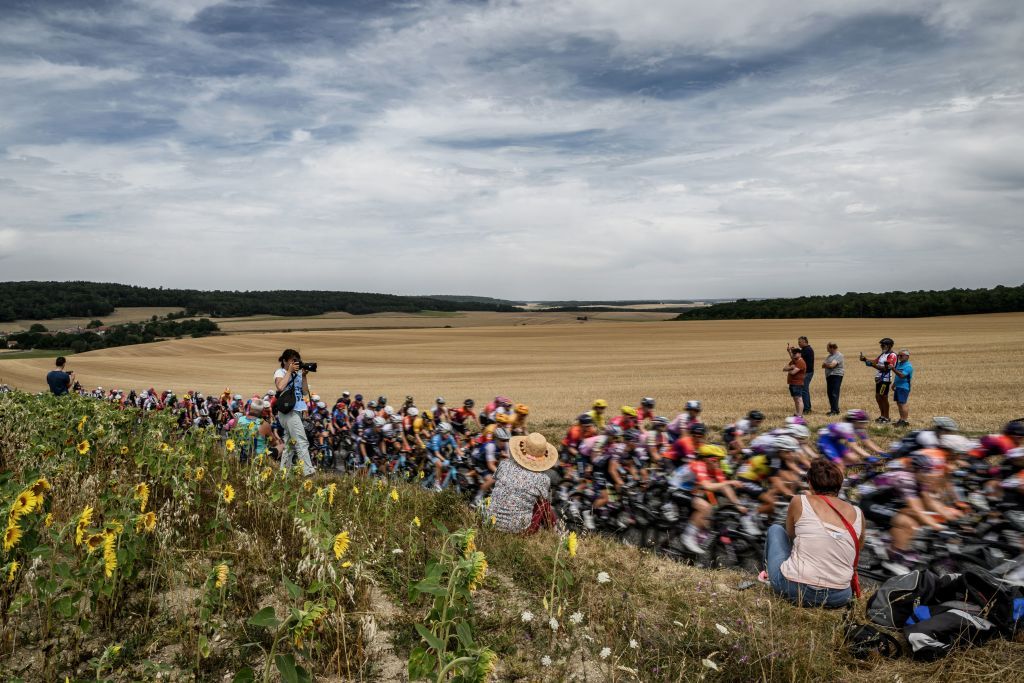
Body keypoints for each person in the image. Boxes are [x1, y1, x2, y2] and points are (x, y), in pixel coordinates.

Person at [763, 458, 862, 608]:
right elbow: (856, 551)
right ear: (840, 485)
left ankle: (769, 578)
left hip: (794, 589)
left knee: (775, 530)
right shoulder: (858, 512)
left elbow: (791, 535)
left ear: (809, 482)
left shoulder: (799, 501)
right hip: (839, 596)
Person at [490, 432, 558, 533]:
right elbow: (543, 501)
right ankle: (554, 532)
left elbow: (496, 481)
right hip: (518, 530)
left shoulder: (504, 464)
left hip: (490, 522)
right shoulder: (542, 479)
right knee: (544, 504)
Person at [273, 349, 315, 476]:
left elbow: (304, 391)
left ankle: (284, 473)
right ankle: (308, 471)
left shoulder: (297, 374)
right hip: (287, 410)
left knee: (289, 444)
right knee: (301, 440)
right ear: (285, 361)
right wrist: (289, 372)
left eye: (297, 361)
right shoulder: (280, 372)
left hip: (297, 410)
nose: (295, 363)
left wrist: (303, 376)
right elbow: (280, 387)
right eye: (293, 360)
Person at [860, 338, 898, 423]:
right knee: (878, 397)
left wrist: (872, 365)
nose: (881, 346)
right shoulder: (883, 354)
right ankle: (882, 415)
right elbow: (875, 361)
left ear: (889, 346)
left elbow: (885, 368)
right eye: (881, 345)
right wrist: (865, 360)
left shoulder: (892, 355)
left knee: (883, 397)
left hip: (885, 379)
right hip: (879, 379)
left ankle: (887, 417)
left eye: (883, 345)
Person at [892, 349, 914, 428]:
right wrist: (894, 384)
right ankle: (901, 419)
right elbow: (897, 376)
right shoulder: (899, 364)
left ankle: (905, 421)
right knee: (899, 404)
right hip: (898, 387)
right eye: (898, 356)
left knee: (903, 404)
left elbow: (902, 375)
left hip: (904, 387)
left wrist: (893, 369)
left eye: (901, 355)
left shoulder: (908, 366)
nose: (899, 357)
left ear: (907, 356)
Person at [821, 342, 844, 416]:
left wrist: (826, 365)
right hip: (829, 376)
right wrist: (827, 365)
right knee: (830, 393)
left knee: (834, 393)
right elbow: (823, 365)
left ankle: (835, 411)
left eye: (828, 348)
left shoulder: (839, 355)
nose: (827, 350)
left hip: (836, 375)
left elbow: (832, 365)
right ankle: (833, 409)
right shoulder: (829, 356)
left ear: (832, 348)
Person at [785, 347, 806, 417]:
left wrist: (789, 368)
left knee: (799, 399)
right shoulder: (794, 362)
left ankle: (800, 415)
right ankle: (798, 413)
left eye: (795, 353)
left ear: (800, 354)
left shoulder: (801, 362)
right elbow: (784, 368)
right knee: (795, 399)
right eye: (793, 353)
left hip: (797, 383)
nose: (793, 355)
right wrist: (791, 367)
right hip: (792, 383)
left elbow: (793, 372)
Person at [797, 336, 815, 413]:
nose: (799, 343)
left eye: (800, 342)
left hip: (807, 373)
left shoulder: (807, 350)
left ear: (805, 342)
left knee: (804, 390)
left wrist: (791, 352)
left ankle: (807, 408)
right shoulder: (804, 349)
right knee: (804, 390)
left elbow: (796, 359)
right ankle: (806, 407)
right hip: (807, 372)